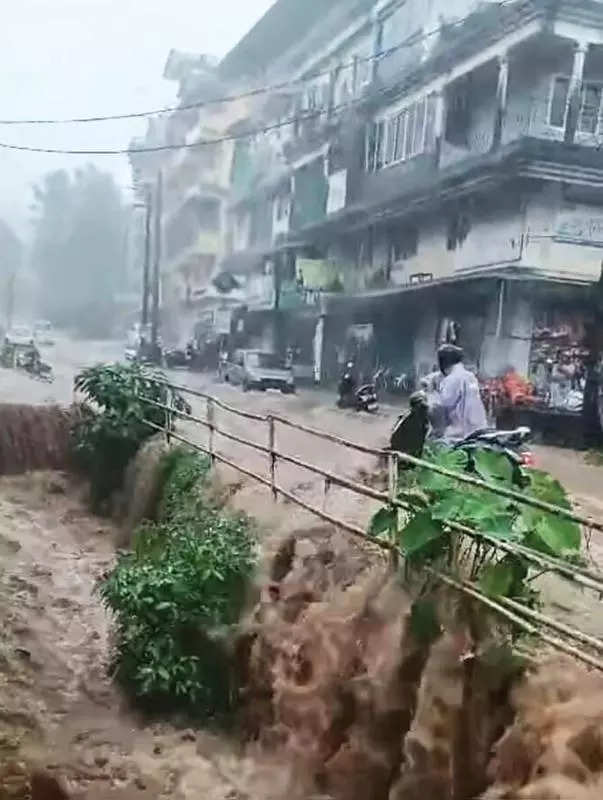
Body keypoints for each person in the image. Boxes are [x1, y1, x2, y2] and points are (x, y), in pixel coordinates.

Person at [430, 344, 487, 442]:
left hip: (460, 433)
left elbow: (441, 406)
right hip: (479, 428)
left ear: (443, 362)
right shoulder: (470, 376)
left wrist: (432, 394)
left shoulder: (451, 379)